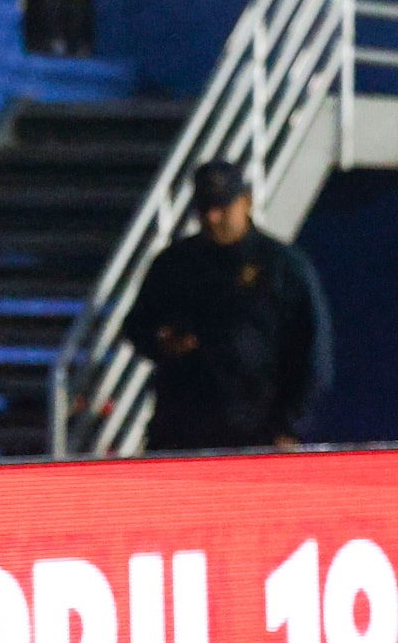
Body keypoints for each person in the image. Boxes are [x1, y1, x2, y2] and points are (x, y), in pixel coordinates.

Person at [124, 160, 331, 452]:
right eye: (204, 208)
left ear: (245, 201)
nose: (212, 217)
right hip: (181, 426)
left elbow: (312, 354)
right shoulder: (174, 263)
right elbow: (137, 326)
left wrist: (289, 427)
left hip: (255, 430)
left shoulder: (282, 267)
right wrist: (162, 341)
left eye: (222, 207)